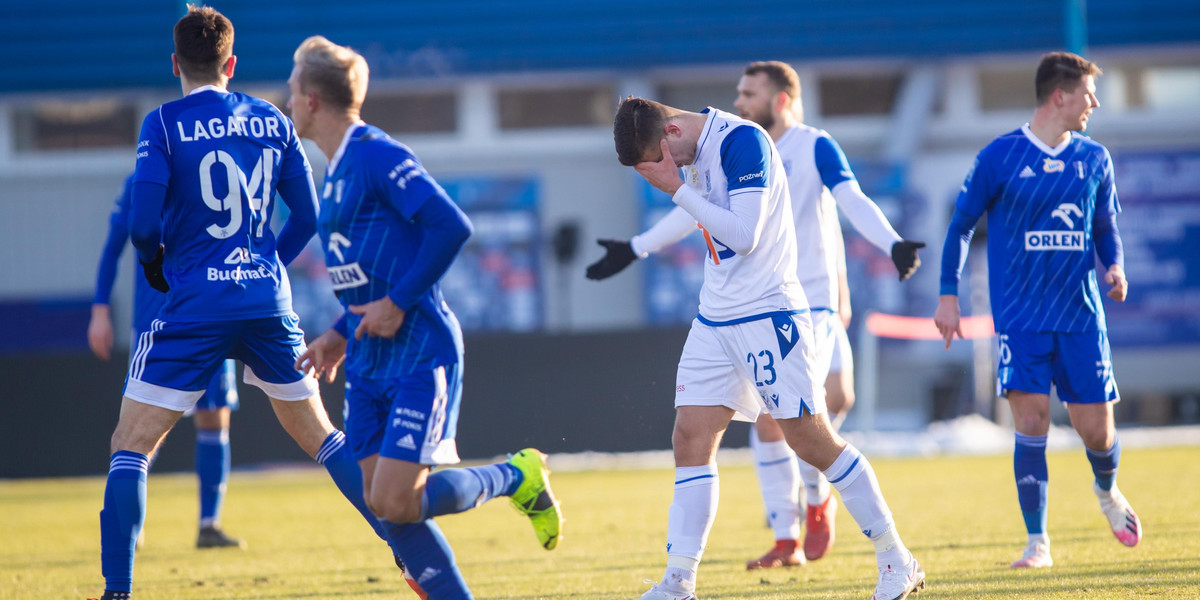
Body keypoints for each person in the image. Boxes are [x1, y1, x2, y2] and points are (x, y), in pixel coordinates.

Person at [92, 8, 387, 599]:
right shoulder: (273, 121)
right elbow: (308, 215)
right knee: (324, 436)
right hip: (263, 301)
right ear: (231, 64)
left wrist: (156, 264)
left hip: (192, 305)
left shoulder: (162, 124)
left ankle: (118, 592)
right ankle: (410, 554)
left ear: (176, 64)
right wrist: (264, 260)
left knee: (131, 447)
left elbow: (143, 225)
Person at [587, 61, 925, 569]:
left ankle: (896, 557)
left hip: (770, 312)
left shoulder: (746, 142)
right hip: (715, 318)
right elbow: (692, 210)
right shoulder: (691, 149)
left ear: (672, 130)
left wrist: (675, 187)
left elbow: (743, 235)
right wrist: (638, 244)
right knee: (690, 437)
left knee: (811, 434)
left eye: (660, 159)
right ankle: (682, 580)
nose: (665, 170)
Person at [287, 35, 563, 600]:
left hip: (419, 352)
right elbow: (369, 277)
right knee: (386, 507)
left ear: (313, 99)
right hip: (366, 359)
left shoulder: (376, 154)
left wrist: (396, 304)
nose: (287, 102)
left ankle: (515, 476)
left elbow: (451, 225)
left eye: (292, 91)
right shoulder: (335, 172)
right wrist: (339, 335)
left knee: (397, 499)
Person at [934, 51, 1140, 569]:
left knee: (1097, 431)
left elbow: (1106, 230)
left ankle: (1108, 490)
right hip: (1020, 319)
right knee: (1031, 422)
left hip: (1080, 316)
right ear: (1059, 95)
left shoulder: (1095, 158)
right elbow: (960, 227)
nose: (1094, 102)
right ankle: (1037, 543)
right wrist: (947, 295)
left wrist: (1114, 267)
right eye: (1088, 93)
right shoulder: (999, 157)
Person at [89, 173, 245, 550]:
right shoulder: (139, 182)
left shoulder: (211, 174)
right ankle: (130, 525)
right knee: (141, 427)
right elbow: (114, 247)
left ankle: (209, 524)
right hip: (156, 320)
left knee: (214, 415)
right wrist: (100, 309)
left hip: (208, 317)